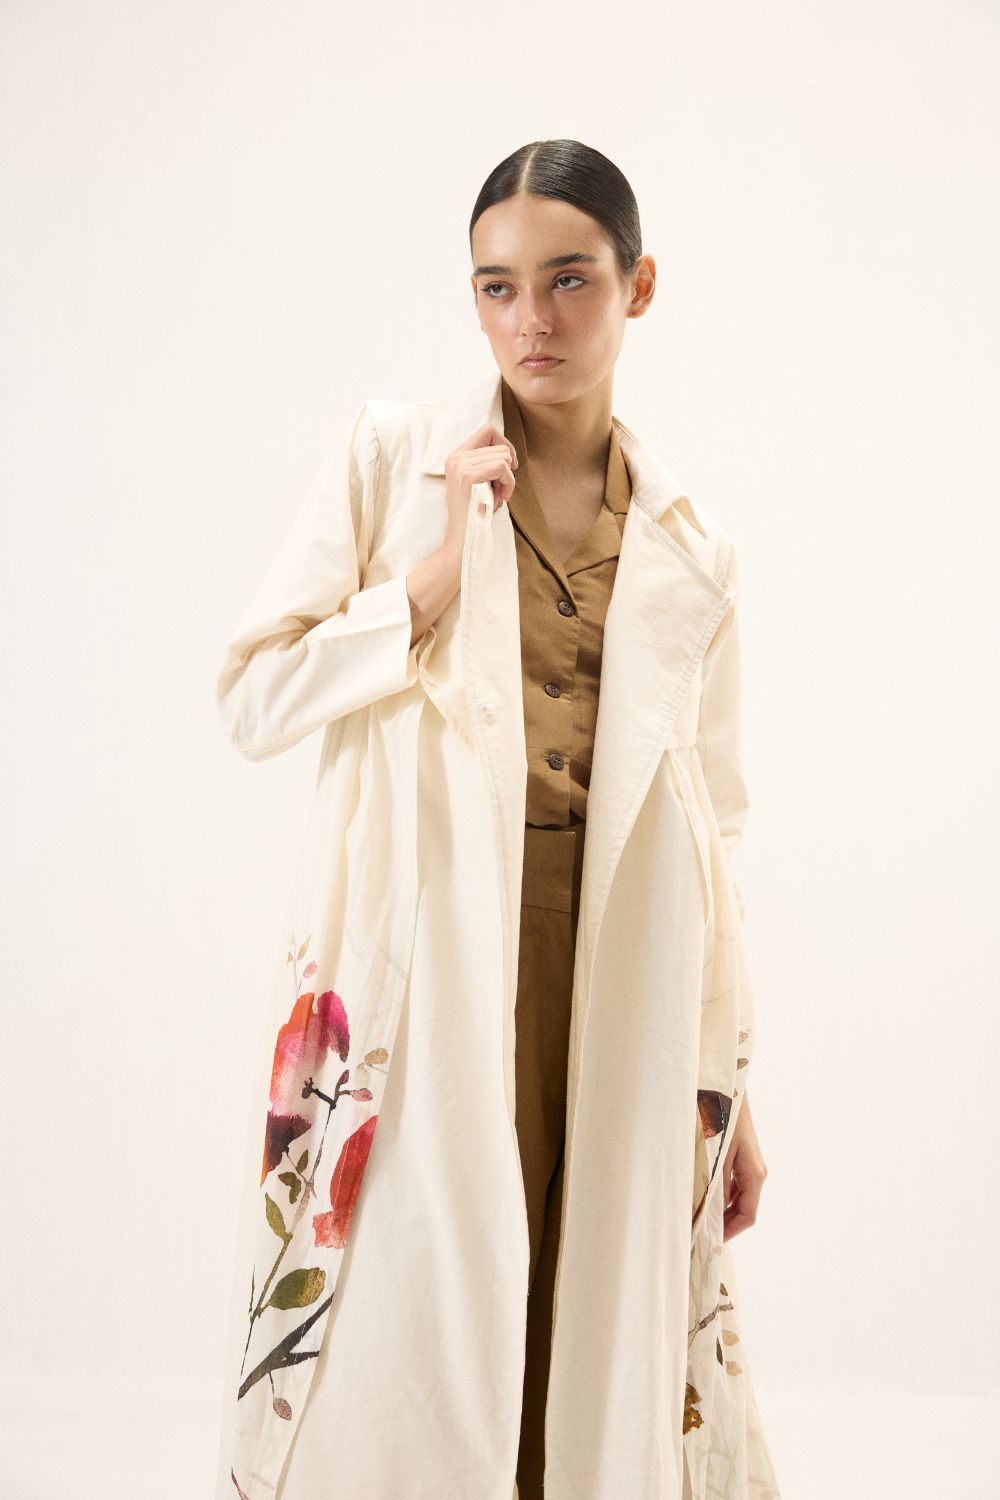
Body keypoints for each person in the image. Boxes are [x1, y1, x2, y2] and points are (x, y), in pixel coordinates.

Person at [214, 139, 779, 1500]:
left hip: (623, 970)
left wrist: (733, 1092)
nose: (533, 320)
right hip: (433, 954)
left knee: (589, 1325)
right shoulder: (398, 461)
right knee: (423, 1319)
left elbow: (714, 821)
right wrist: (424, 587)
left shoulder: (693, 544)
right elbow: (253, 694)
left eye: (571, 280)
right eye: (498, 287)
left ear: (640, 287)